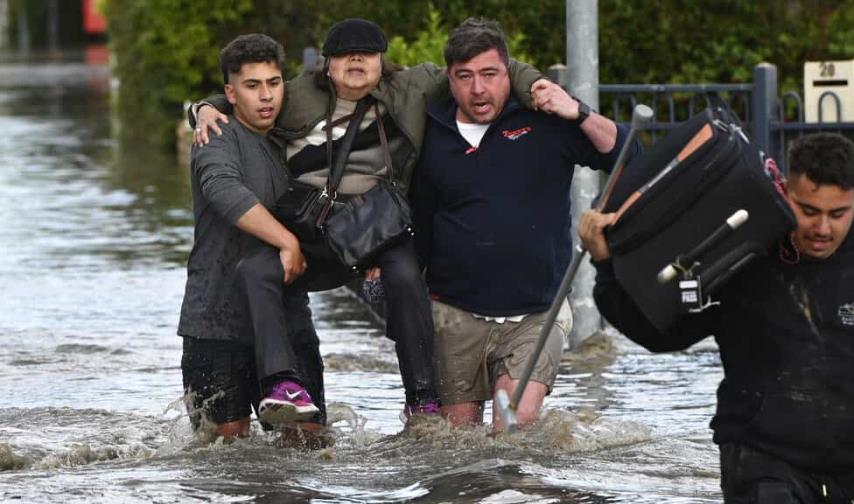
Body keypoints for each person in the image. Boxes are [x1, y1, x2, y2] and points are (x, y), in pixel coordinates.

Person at [191, 18, 544, 421]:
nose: (356, 60)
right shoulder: (295, 94)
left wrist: (536, 86)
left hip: (378, 226)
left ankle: (422, 396)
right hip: (313, 227)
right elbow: (247, 95)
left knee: (407, 276)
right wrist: (201, 109)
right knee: (255, 269)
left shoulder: (412, 86)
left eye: (367, 53)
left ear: (382, 62)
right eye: (344, 54)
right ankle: (280, 383)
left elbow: (490, 66)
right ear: (327, 65)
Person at [581, 132, 854, 502]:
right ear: (784, 191)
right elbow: (662, 334)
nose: (823, 229)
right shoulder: (742, 258)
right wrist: (605, 268)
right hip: (762, 462)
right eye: (808, 211)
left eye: (837, 214)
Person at [411, 18, 644, 431]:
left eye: (489, 75)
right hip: (454, 315)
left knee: (510, 429)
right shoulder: (430, 128)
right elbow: (420, 219)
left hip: (536, 314)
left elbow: (626, 152)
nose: (478, 89)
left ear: (509, 73)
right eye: (464, 77)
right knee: (454, 448)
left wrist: (579, 111)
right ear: (450, 79)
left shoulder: (545, 119)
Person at [178, 33, 326, 444]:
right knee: (226, 451)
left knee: (310, 441)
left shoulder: (293, 136)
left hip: (288, 313)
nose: (266, 96)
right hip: (216, 320)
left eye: (274, 84)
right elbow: (223, 189)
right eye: (252, 86)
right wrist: (287, 242)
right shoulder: (216, 135)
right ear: (231, 92)